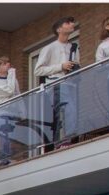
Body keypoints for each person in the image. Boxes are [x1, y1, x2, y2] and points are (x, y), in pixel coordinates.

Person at [35, 17, 81, 145]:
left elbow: (76, 64)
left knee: (71, 112)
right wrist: (61, 66)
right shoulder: (49, 48)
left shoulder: (74, 47)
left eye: (72, 22)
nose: (72, 24)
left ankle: (68, 140)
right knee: (65, 111)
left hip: (71, 84)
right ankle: (63, 141)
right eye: (68, 23)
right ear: (59, 29)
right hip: (56, 83)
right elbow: (38, 71)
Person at [0, 56, 22, 166]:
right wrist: (12, 73)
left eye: (8, 63)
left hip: (13, 113)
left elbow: (18, 95)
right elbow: (10, 91)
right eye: (4, 64)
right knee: (4, 136)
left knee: (13, 137)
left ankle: (9, 158)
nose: (8, 64)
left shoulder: (13, 80)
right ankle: (4, 159)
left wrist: (23, 112)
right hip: (2, 113)